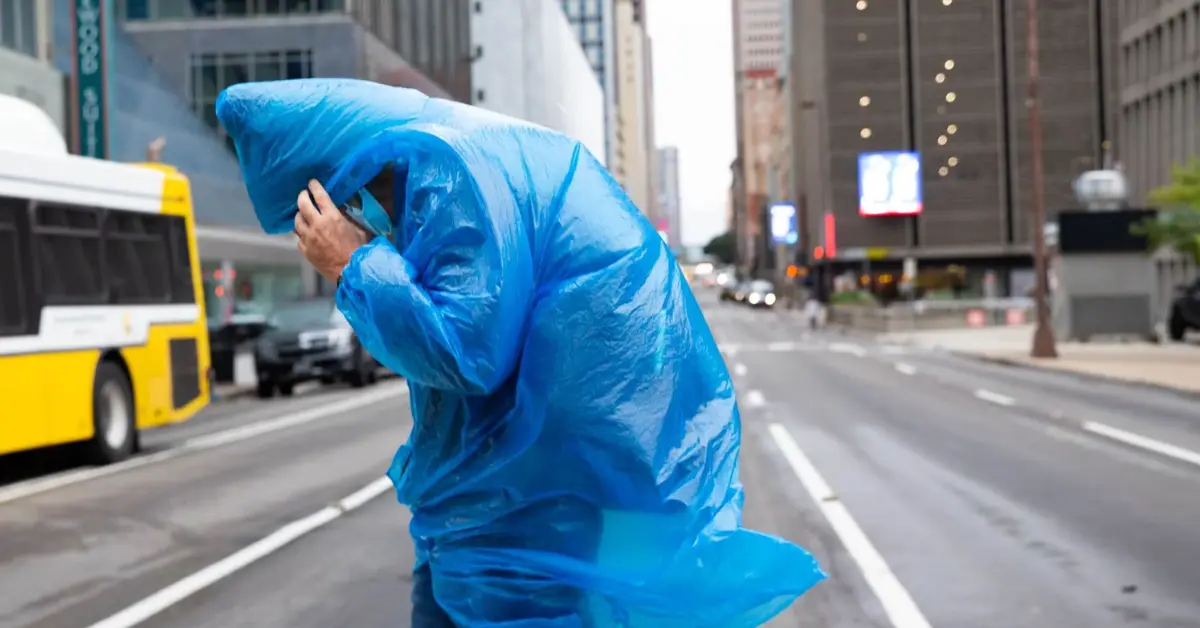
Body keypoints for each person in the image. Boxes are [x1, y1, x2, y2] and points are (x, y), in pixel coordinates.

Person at [218, 78, 823, 627]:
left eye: (318, 207)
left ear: (334, 178)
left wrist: (353, 262)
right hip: (540, 482)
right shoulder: (468, 155)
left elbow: (464, 350)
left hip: (530, 497)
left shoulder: (447, 169)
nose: (343, 219)